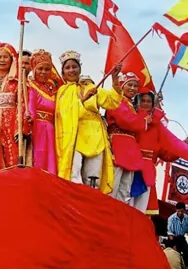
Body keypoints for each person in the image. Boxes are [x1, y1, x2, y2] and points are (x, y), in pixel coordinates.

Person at [55, 51, 122, 193]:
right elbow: (65, 114)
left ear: (80, 69)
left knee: (93, 178)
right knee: (73, 174)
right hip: (74, 136)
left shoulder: (91, 87)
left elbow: (112, 101)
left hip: (95, 136)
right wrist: (84, 99)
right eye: (68, 67)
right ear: (63, 72)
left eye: (75, 66)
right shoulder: (63, 91)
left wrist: (115, 78)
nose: (72, 70)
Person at [130, 91, 188, 214]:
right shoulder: (131, 117)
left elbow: (169, 145)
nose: (146, 104)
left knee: (142, 209)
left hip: (147, 171)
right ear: (137, 102)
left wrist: (186, 149)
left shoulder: (157, 126)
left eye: (149, 101)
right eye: (143, 101)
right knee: (125, 202)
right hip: (130, 165)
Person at [0, 43, 26, 172]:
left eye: (5, 57)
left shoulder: (18, 81)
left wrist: (20, 127)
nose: (2, 60)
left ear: (12, 59)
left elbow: (22, 104)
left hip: (12, 122)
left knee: (12, 153)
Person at [106, 72, 147, 203]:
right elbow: (125, 120)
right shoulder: (116, 100)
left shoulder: (131, 106)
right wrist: (143, 122)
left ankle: (118, 218)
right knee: (112, 186)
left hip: (130, 149)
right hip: (118, 145)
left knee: (124, 190)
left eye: (135, 86)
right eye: (129, 85)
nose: (133, 88)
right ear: (122, 86)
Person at [26, 50, 61, 174]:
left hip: (52, 128)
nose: (43, 72)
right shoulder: (31, 86)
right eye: (40, 69)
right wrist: (29, 118)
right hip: (38, 127)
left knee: (52, 160)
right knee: (39, 157)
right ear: (34, 69)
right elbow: (31, 106)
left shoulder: (54, 88)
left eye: (47, 69)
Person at [167, 202, 188, 269]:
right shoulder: (171, 219)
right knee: (176, 255)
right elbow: (170, 233)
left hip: (182, 238)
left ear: (184, 210)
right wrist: (174, 245)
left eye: (182, 211)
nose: (180, 213)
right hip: (174, 239)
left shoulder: (186, 217)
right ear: (176, 210)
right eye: (178, 211)